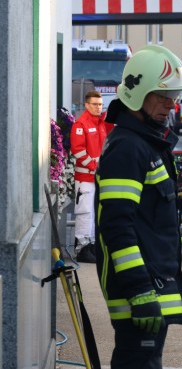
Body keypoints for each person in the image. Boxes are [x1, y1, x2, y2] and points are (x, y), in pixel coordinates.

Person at [94, 45, 182, 369]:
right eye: (163, 96)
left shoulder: (144, 143)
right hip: (140, 292)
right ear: (138, 94)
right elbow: (117, 227)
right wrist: (139, 290)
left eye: (174, 97)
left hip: (151, 287)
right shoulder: (128, 149)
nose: (172, 105)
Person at [70, 90, 108, 263]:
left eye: (100, 104)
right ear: (86, 105)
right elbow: (78, 151)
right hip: (85, 178)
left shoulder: (101, 123)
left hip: (97, 178)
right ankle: (82, 249)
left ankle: (91, 245)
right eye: (94, 104)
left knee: (94, 213)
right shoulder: (80, 124)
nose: (98, 107)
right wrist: (95, 167)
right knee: (85, 213)